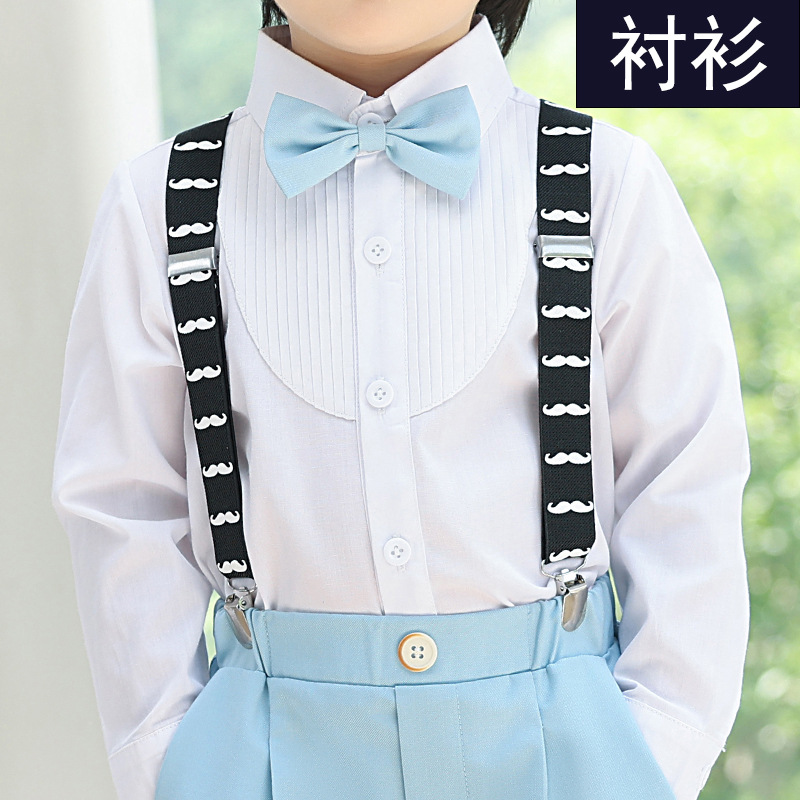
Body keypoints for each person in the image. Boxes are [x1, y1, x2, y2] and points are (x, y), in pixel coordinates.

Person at [51, 2, 751, 799]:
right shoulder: (159, 203)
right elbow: (124, 506)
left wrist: (653, 754)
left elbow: (683, 481)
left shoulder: (604, 182)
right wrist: (170, 763)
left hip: (566, 754)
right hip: (263, 753)